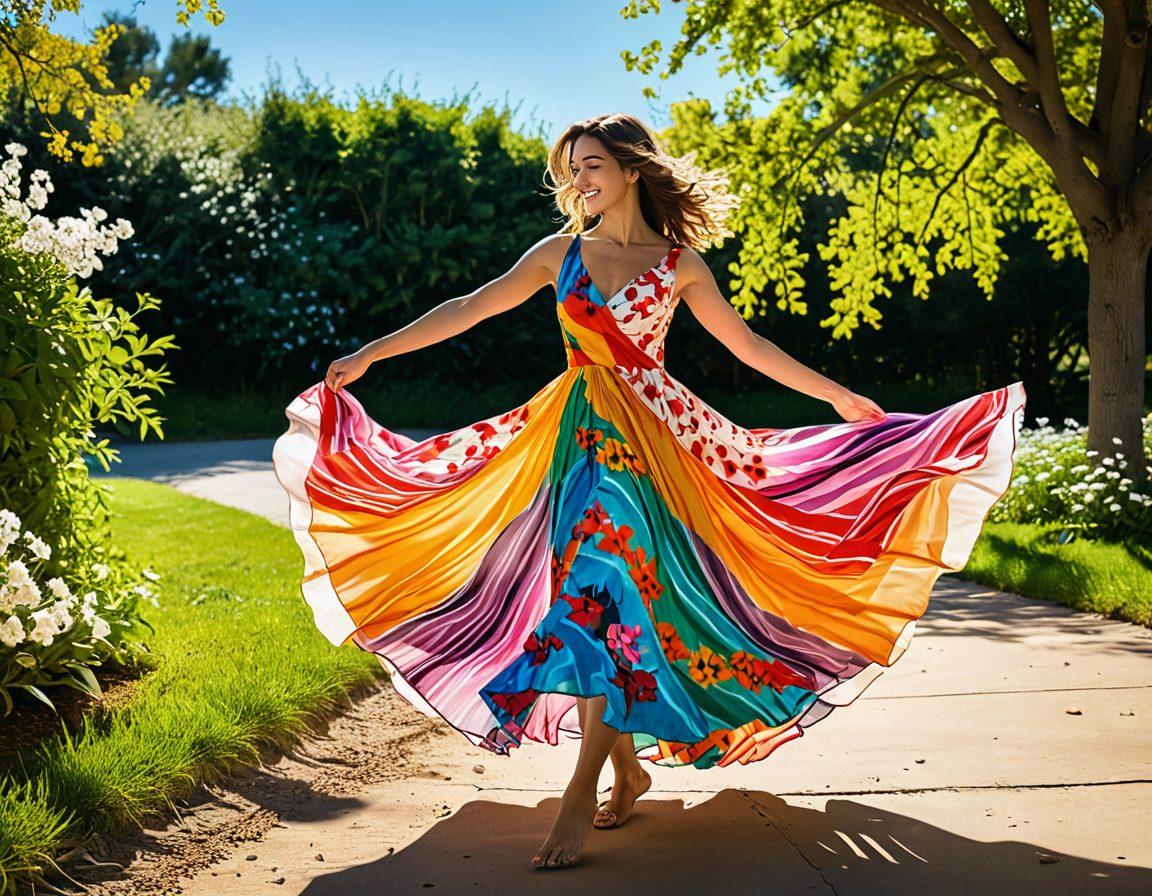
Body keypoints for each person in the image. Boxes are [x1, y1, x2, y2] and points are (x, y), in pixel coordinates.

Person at [271, 112, 1026, 870]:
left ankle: (580, 793)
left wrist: (835, 397)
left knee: (614, 599)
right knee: (600, 602)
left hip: (658, 449)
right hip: (575, 444)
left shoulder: (678, 263)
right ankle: (625, 766)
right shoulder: (557, 254)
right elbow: (470, 307)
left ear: (632, 169)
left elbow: (748, 345)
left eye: (592, 165)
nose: (579, 181)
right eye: (572, 168)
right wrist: (371, 352)